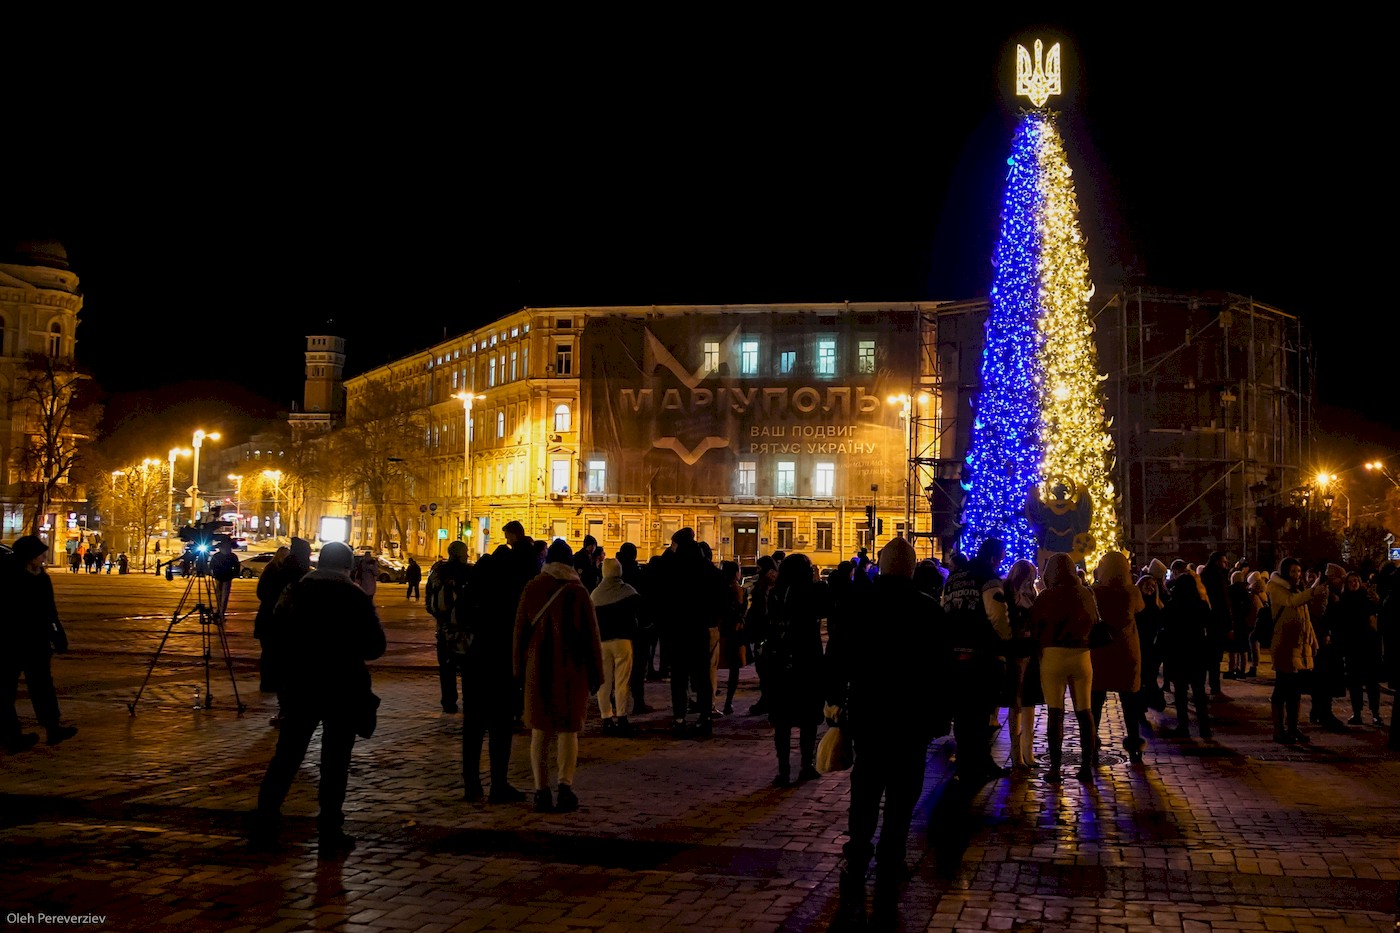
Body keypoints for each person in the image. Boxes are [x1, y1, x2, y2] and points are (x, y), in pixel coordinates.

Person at [823, 537, 941, 926]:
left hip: (869, 714)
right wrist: (940, 718)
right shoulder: (927, 609)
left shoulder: (860, 605)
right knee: (904, 793)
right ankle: (891, 858)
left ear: (882, 564)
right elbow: (939, 672)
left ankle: (857, 856)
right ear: (910, 569)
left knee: (866, 786)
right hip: (911, 717)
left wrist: (835, 703)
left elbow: (838, 658)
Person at [249, 541, 386, 857]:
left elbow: (276, 637)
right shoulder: (353, 597)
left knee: (286, 758)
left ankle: (265, 826)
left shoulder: (295, 592)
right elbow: (375, 647)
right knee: (335, 762)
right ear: (348, 567)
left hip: (300, 687)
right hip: (343, 688)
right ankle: (330, 830)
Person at [514, 539, 603, 814]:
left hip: (537, 670)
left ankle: (541, 791)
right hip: (571, 671)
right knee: (568, 731)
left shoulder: (533, 588)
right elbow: (592, 637)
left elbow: (519, 634)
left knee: (539, 732)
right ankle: (565, 788)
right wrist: (596, 674)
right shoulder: (578, 592)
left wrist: (518, 670)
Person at [460, 546, 527, 804]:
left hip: (475, 662)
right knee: (500, 727)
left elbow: (463, 621)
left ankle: (471, 784)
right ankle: (498, 784)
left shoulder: (472, 590)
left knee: (473, 727)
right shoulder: (509, 591)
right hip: (501, 664)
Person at [941, 538, 1010, 783]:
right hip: (981, 655)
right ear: (993, 557)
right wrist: (1007, 639)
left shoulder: (955, 576)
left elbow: (945, 608)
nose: (1001, 560)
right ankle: (977, 763)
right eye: (1001, 556)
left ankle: (966, 760)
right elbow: (997, 615)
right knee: (980, 713)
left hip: (954, 653)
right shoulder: (989, 578)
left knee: (961, 714)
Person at [2, 535, 79, 752]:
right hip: (11, 643)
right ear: (28, 557)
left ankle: (53, 728)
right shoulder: (9, 577)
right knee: (6, 690)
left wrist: (58, 635)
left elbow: (50, 610)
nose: (44, 557)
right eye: (40, 554)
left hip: (38, 642)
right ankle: (11, 736)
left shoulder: (42, 578)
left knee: (43, 686)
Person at [762, 552, 829, 786]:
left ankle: (783, 770)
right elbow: (825, 607)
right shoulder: (809, 592)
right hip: (806, 660)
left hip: (779, 660)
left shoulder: (777, 593)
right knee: (808, 718)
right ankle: (806, 766)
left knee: (782, 720)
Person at [1031, 551, 1098, 782]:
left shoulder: (1045, 596)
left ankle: (1055, 768)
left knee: (1055, 712)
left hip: (1052, 655)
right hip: (1082, 655)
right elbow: (1095, 621)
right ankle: (1086, 766)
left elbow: (1035, 626)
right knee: (1084, 711)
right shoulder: (1086, 594)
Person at [1089, 551, 1146, 764]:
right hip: (1127, 652)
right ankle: (1134, 748)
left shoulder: (1094, 592)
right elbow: (1140, 609)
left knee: (1095, 703)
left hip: (1100, 653)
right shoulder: (1131, 592)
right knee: (1130, 704)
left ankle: (1092, 745)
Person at [1267, 557, 1326, 744]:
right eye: (1293, 571)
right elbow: (1291, 602)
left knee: (1295, 690)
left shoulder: (1298, 589)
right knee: (1282, 687)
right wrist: (1313, 591)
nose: (1297, 575)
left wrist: (1313, 642)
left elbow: (1306, 619)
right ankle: (1279, 730)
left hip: (1299, 645)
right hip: (1284, 644)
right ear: (1285, 571)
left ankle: (1292, 728)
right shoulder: (1275, 587)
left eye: (1299, 571)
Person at [1161, 564, 1214, 740]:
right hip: (1197, 651)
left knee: (1181, 692)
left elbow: (1165, 627)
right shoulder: (1201, 605)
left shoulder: (1171, 606)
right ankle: (1204, 728)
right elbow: (1209, 626)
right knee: (1199, 692)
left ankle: (1183, 726)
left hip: (1178, 652)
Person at [590, 557, 640, 735]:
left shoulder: (595, 594)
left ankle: (606, 718)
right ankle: (622, 717)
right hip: (623, 641)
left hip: (602, 643)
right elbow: (641, 615)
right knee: (622, 681)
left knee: (604, 683)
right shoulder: (628, 591)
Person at [1002, 559, 1042, 771]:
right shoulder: (1015, 593)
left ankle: (1026, 750)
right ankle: (1019, 751)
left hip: (1027, 647)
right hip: (1018, 648)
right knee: (1019, 699)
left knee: (1026, 700)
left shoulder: (1023, 592)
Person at [426, 541, 473, 714]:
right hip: (465, 632)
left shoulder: (437, 572)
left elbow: (429, 603)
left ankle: (448, 702)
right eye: (466, 552)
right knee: (468, 670)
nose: (467, 555)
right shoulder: (470, 572)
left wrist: (441, 617)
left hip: (444, 630)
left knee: (446, 669)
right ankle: (469, 701)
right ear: (461, 554)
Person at [1335, 571, 1384, 726]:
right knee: (1354, 683)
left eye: (1356, 580)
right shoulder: (1343, 600)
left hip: (1369, 646)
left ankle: (1375, 713)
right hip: (1352, 647)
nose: (1354, 583)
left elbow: (1376, 617)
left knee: (1372, 683)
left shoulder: (1368, 598)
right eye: (1351, 581)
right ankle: (1357, 713)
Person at [717, 560, 749, 716]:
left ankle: (709, 701)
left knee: (712, 667)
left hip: (721, 631)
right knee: (734, 669)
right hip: (736, 633)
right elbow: (744, 612)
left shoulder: (719, 590)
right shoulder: (741, 591)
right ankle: (728, 702)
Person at [209, 538, 241, 621]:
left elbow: (211, 566)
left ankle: (220, 611)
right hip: (224, 577)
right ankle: (221, 612)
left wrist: (213, 573)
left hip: (222, 577)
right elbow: (237, 567)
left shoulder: (218, 556)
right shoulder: (232, 556)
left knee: (220, 595)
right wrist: (234, 574)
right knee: (223, 595)